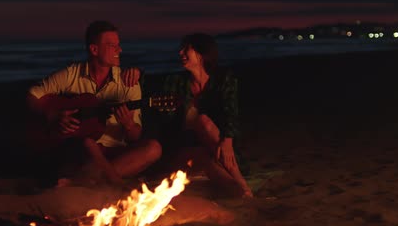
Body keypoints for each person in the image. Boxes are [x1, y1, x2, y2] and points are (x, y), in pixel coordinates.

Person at [26, 20, 162, 186]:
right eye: (112, 45)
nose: (119, 50)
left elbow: (135, 136)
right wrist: (53, 115)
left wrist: (128, 125)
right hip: (81, 153)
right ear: (94, 49)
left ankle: (83, 181)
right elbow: (33, 95)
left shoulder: (128, 82)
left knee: (154, 148)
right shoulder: (71, 74)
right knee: (88, 143)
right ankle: (115, 184)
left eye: (119, 45)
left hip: (116, 154)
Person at [158, 33, 252, 197]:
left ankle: (239, 192)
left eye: (186, 49)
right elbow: (167, 126)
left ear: (201, 54)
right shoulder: (175, 82)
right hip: (187, 149)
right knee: (202, 129)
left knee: (207, 141)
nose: (180, 53)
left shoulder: (223, 79)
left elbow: (231, 113)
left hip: (219, 148)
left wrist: (227, 140)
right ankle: (242, 184)